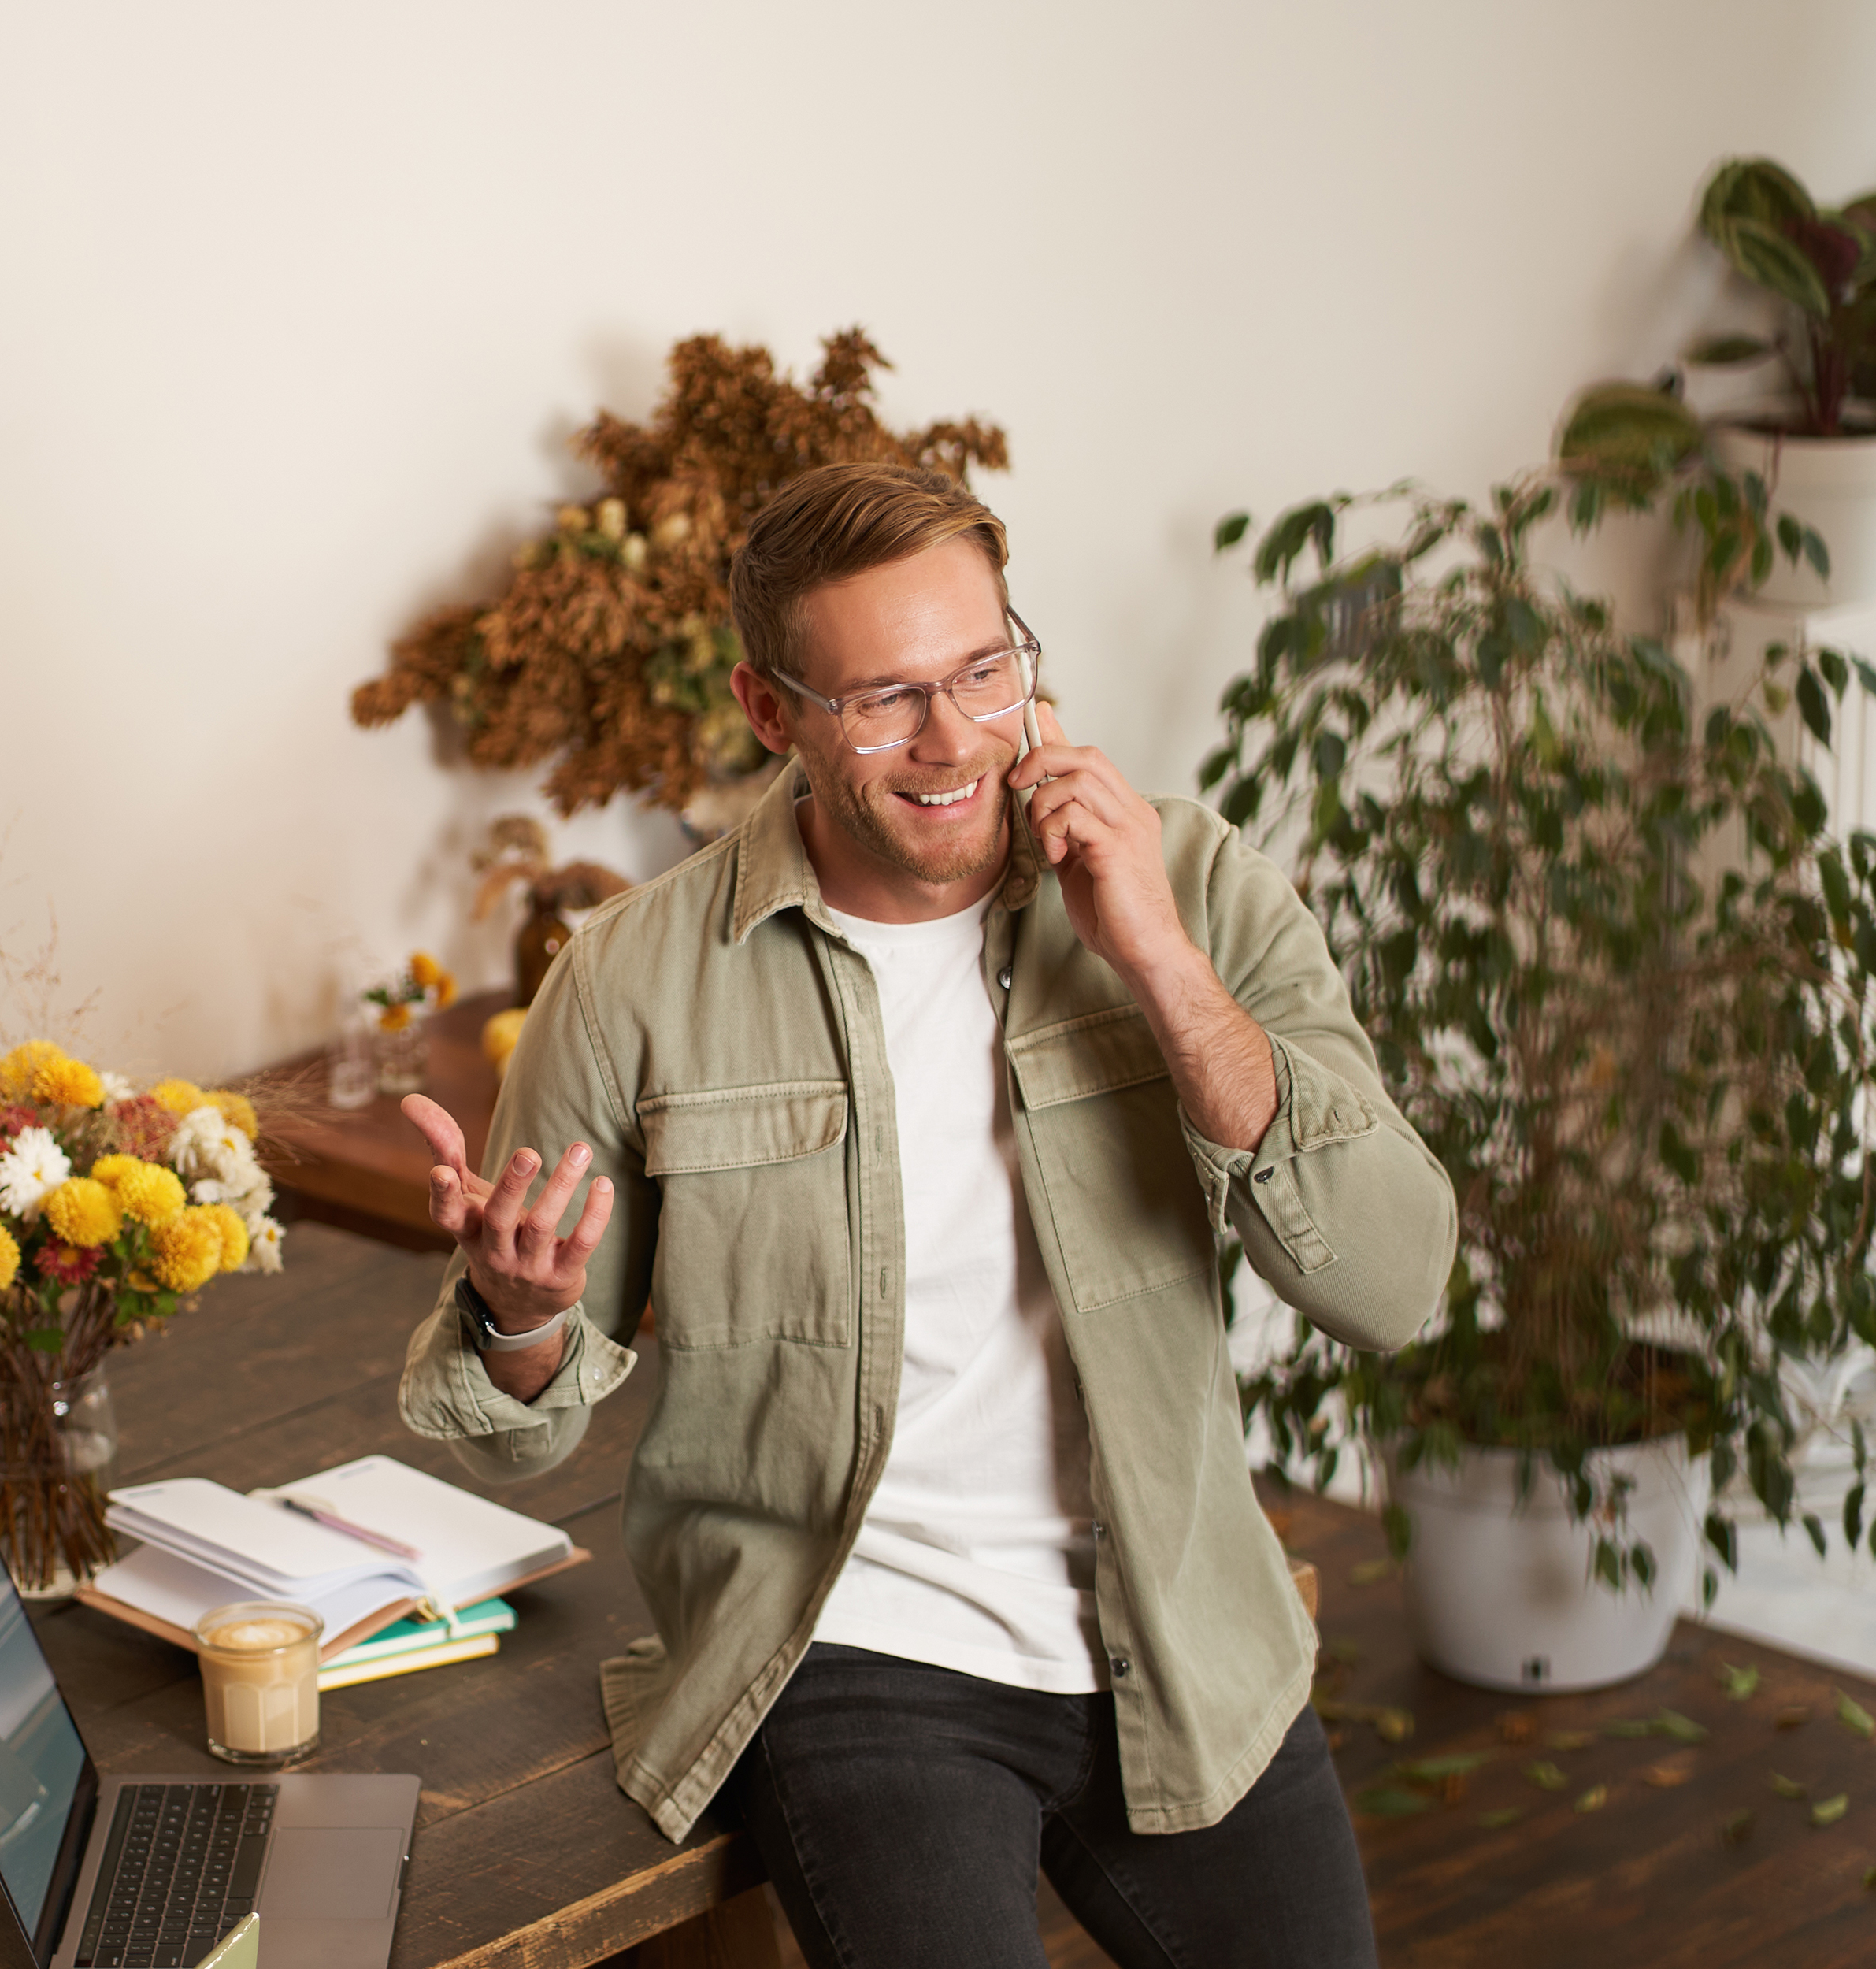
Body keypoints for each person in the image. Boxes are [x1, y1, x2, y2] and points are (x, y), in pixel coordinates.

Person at [391, 462, 1456, 1967]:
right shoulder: (632, 979)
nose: (953, 739)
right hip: (856, 1641)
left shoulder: (1193, 886)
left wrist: (1161, 965)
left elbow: (1396, 1283)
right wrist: (518, 1316)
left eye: (983, 671)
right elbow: (524, 1434)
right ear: (772, 714)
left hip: (1176, 1615)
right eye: (885, 698)